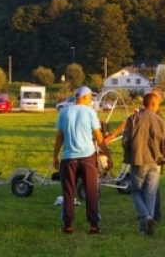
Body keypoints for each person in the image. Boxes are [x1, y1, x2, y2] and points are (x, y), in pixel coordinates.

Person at [52, 86, 112, 235]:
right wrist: (108, 155)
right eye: (90, 98)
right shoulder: (90, 112)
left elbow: (59, 137)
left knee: (68, 192)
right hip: (87, 157)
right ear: (84, 97)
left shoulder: (64, 112)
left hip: (68, 158)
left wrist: (55, 156)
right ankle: (94, 226)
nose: (90, 101)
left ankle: (68, 225)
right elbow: (98, 137)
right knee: (91, 191)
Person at [123, 92, 165, 235]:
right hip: (155, 161)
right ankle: (145, 227)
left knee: (136, 192)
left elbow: (125, 141)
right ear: (154, 104)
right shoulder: (161, 121)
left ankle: (146, 219)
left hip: (138, 160)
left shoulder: (133, 119)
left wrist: (129, 153)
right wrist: (163, 156)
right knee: (150, 195)